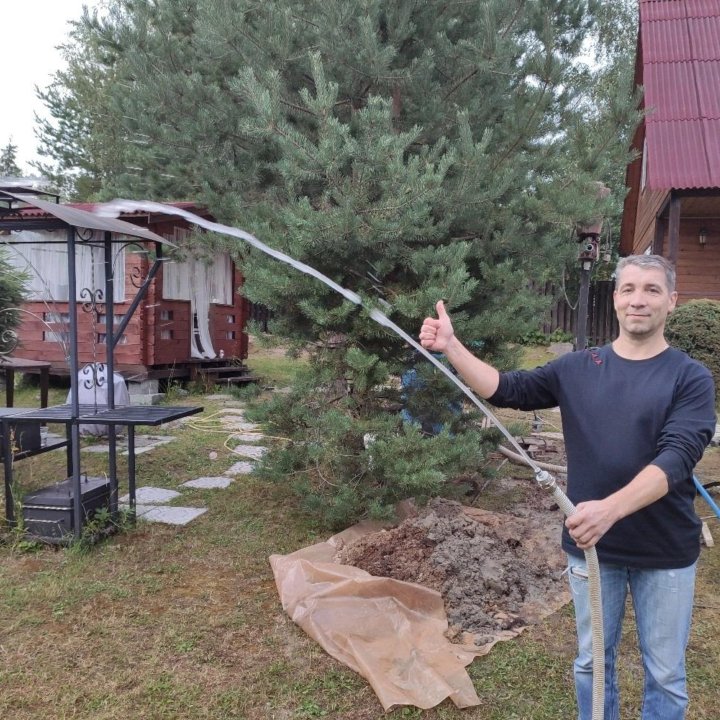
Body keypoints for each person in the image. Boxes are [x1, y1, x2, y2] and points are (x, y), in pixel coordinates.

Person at [419, 254, 716, 720]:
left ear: (672, 301)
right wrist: (453, 348)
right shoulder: (578, 368)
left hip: (665, 551)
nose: (639, 300)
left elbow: (678, 458)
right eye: (628, 289)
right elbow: (506, 389)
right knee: (592, 664)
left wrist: (609, 511)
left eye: (652, 290)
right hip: (591, 550)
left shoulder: (690, 377)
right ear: (615, 299)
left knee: (666, 674)